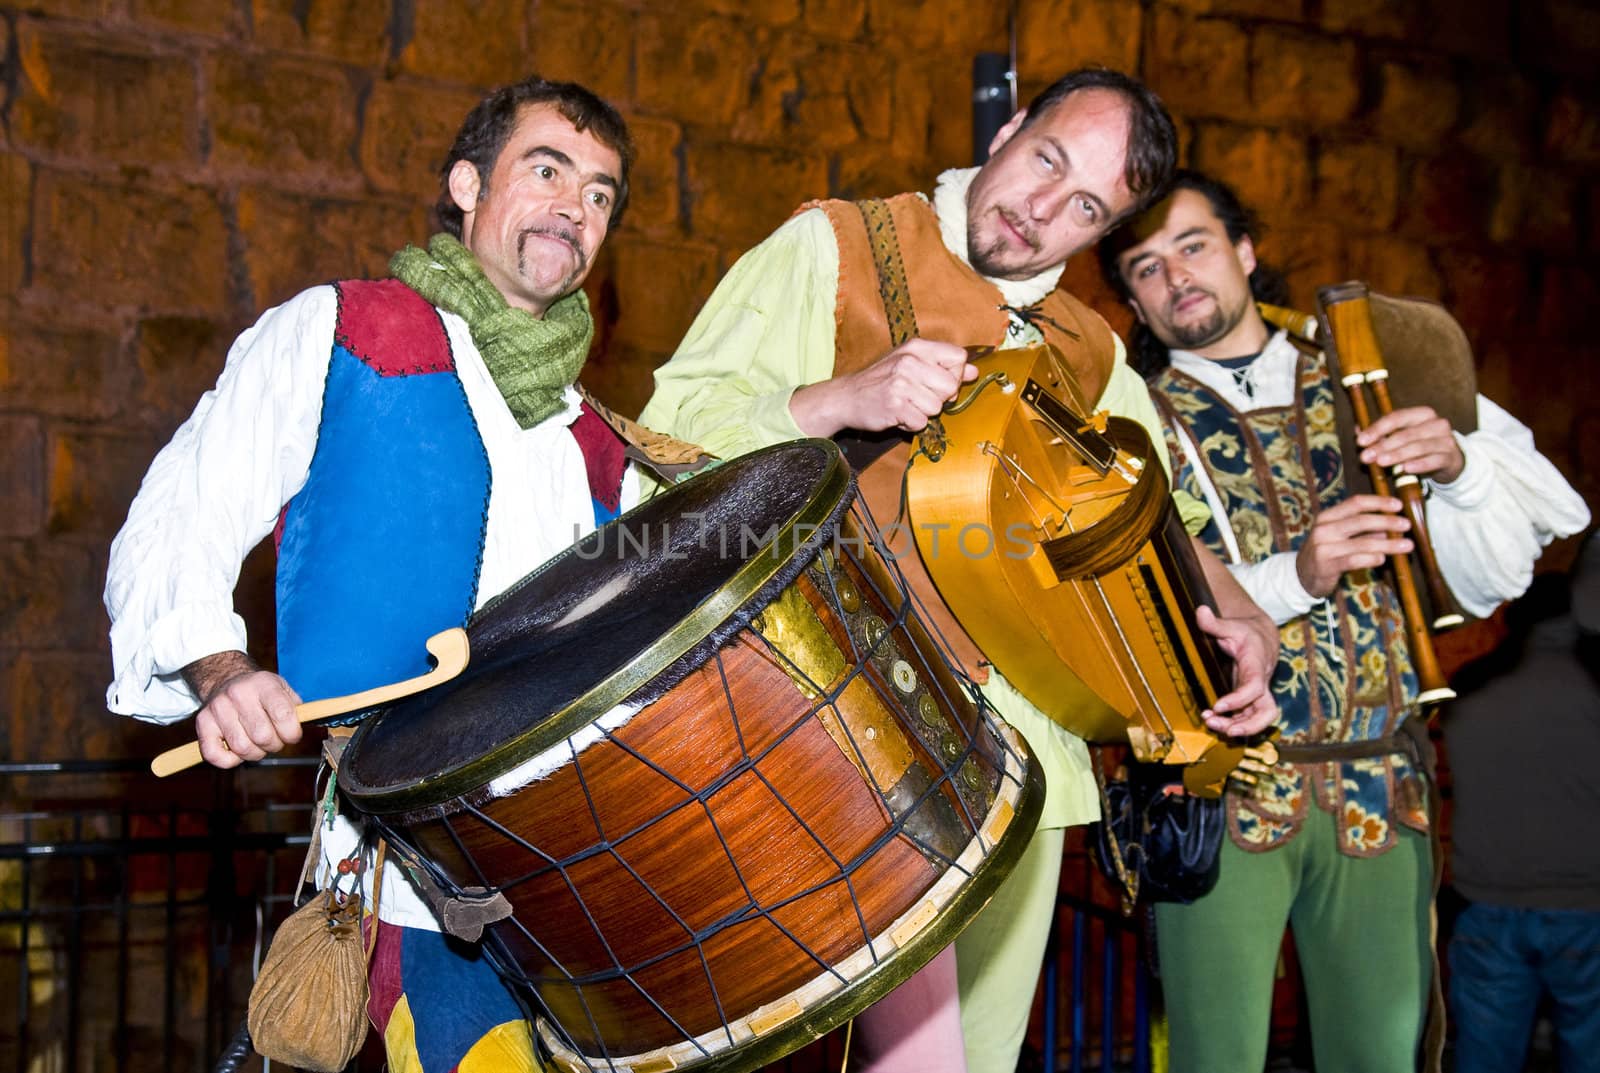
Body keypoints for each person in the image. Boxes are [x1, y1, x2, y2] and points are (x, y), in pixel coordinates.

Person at [639, 69, 1281, 1073]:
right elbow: (664, 446)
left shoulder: (1094, 353)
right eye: (1045, 161)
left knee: (978, 1056)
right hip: (844, 731)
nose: (1038, 211)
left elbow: (1166, 523)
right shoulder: (836, 246)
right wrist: (833, 400)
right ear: (1013, 126)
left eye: (1084, 208)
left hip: (1035, 756)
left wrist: (1242, 615)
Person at [105, 76, 646, 1072]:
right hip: (421, 883)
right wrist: (221, 670)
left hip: (580, 889)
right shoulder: (342, 332)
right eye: (548, 169)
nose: (578, 205)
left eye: (602, 194)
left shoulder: (600, 445)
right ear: (467, 186)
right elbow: (180, 510)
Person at [1098, 168, 1591, 1072]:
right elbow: (1135, 611)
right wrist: (1299, 574)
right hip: (1222, 790)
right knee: (1214, 1059)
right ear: (1132, 296)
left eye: (1194, 245)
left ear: (1246, 251)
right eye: (1145, 267)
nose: (1175, 278)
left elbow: (1498, 576)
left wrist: (1458, 466)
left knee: (1381, 1058)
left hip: (1380, 787)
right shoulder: (1128, 419)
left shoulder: (1379, 366)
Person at [1445, 531, 1600, 1073]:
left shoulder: (1468, 688)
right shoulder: (1591, 688)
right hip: (1586, 907)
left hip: (1485, 904)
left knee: (1484, 1058)